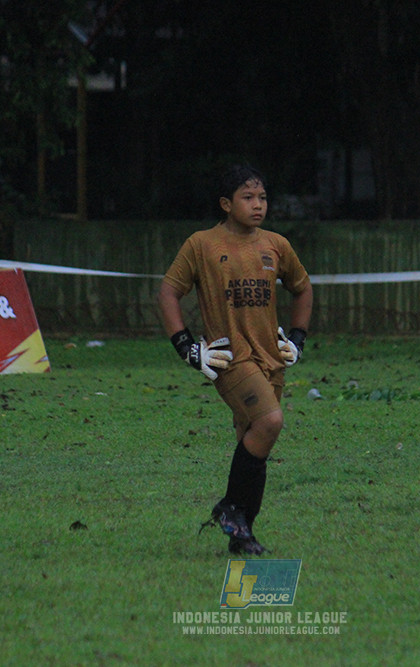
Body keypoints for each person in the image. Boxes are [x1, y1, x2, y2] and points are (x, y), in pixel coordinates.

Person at [157, 164, 313, 555]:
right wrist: (186, 346)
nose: (258, 204)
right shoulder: (201, 244)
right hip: (230, 358)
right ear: (226, 204)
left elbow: (303, 288)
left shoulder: (276, 244)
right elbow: (168, 293)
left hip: (270, 358)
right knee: (270, 421)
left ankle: (242, 533)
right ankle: (229, 506)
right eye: (248, 197)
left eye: (262, 197)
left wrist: (297, 338)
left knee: (254, 439)